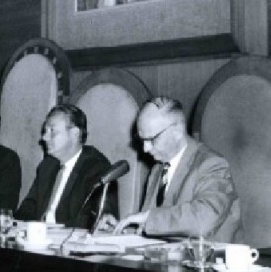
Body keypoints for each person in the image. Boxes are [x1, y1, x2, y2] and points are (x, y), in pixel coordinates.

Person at [98, 96, 243, 242]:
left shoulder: (212, 164)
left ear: (177, 131)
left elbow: (203, 221)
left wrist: (148, 218)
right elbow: (154, 227)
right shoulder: (157, 170)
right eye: (142, 140)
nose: (145, 148)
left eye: (152, 139)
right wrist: (121, 229)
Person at [15, 104, 118, 229]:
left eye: (52, 131)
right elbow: (28, 207)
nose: (44, 138)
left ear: (75, 133)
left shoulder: (98, 169)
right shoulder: (47, 165)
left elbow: (95, 220)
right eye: (45, 131)